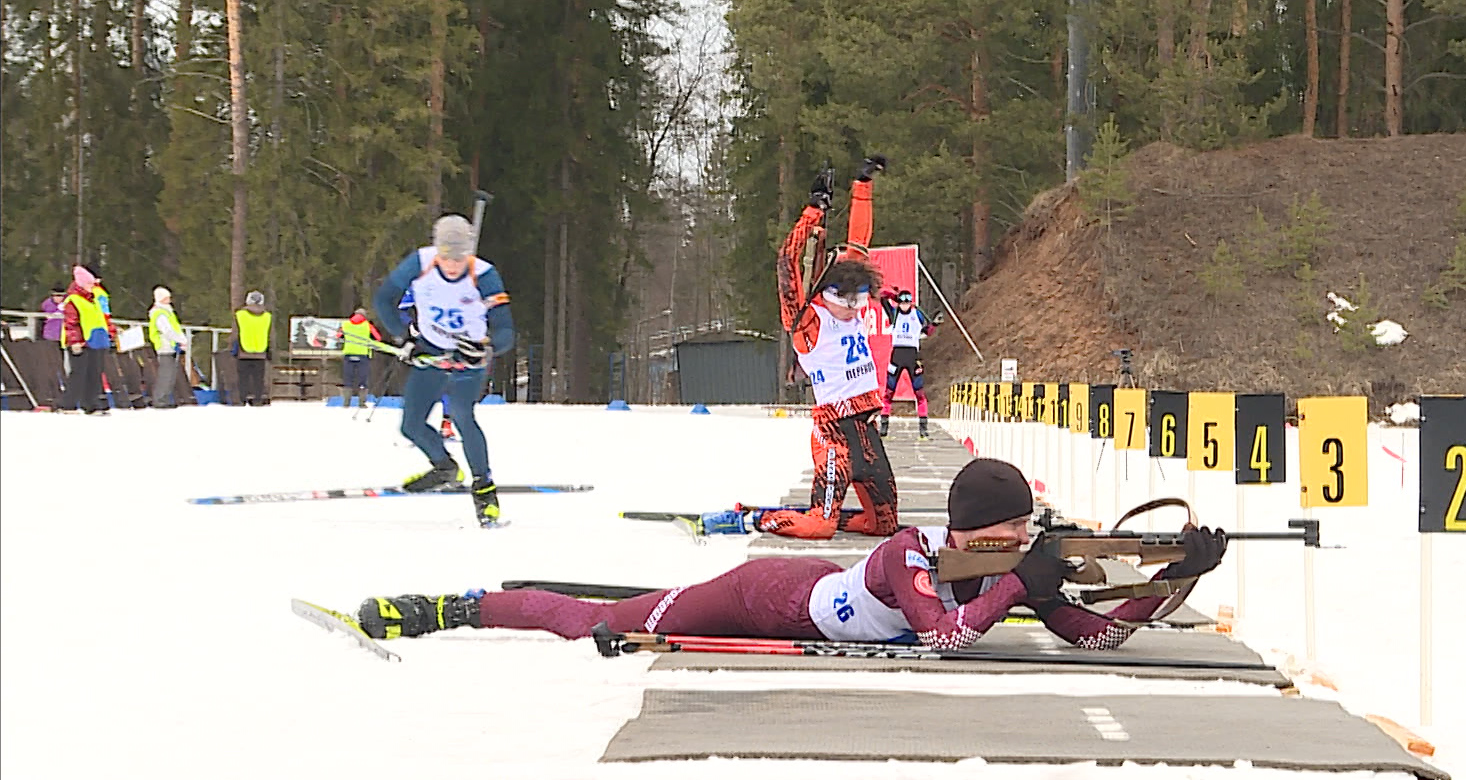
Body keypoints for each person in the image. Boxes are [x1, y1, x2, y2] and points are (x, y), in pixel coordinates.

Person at [358, 457, 1231, 648]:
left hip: (816, 589)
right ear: (965, 529)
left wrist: (1172, 580)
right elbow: (944, 637)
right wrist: (1021, 586)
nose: (1013, 549)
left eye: (1018, 536)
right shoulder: (905, 554)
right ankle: (453, 607)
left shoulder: (998, 571)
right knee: (595, 622)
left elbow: (1094, 634)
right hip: (759, 595)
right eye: (1000, 537)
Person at [705, 156, 899, 541]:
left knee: (884, 525)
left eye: (861, 302)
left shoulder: (848, 304)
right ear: (828, 295)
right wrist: (813, 210)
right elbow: (788, 262)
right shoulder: (808, 320)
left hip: (866, 427)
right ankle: (755, 518)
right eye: (848, 301)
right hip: (833, 431)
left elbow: (859, 243)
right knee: (820, 527)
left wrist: (862, 185)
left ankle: (815, 510)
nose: (854, 311)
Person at [372, 213, 515, 526]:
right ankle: (444, 468)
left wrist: (487, 347)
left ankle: (485, 491)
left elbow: (506, 329)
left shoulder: (484, 275)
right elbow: (383, 300)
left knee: (462, 415)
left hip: (468, 355)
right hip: (431, 351)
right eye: (446, 258)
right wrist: (405, 335)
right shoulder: (419, 263)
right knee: (410, 425)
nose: (451, 265)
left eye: (459, 258)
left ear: (469, 252)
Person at [880, 288, 938, 439]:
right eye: (901, 302)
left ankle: (923, 429)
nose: (904, 305)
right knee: (889, 392)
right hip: (897, 355)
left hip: (913, 356)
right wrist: (893, 296)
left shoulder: (917, 313)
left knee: (919, 393)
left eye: (907, 302)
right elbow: (882, 297)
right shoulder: (894, 313)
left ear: (911, 303)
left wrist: (934, 325)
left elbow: (928, 329)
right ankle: (884, 428)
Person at [58, 265, 116, 414]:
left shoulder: (94, 300)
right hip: (80, 342)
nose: (93, 286)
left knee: (94, 373)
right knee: (79, 373)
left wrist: (109, 333)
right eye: (90, 283)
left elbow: (102, 319)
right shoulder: (74, 300)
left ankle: (91, 404)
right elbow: (71, 323)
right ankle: (68, 404)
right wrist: (74, 342)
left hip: (95, 340)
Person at [148, 287, 190, 409]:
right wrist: (181, 339)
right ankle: (160, 400)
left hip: (170, 345)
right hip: (165, 345)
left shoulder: (166, 312)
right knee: (166, 374)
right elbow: (167, 330)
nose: (169, 300)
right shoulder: (160, 313)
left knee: (170, 374)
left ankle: (164, 398)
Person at [231, 291, 273, 406]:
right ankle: (258, 399)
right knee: (258, 379)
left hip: (244, 351)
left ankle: (242, 399)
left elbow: (236, 331)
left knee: (243, 378)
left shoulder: (241, 315)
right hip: (260, 351)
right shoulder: (267, 316)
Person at [339, 307, 382, 408]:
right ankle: (361, 403)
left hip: (348, 354)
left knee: (348, 379)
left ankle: (346, 403)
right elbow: (378, 338)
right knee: (362, 379)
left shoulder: (346, 325)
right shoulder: (368, 326)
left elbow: (338, 336)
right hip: (363, 355)